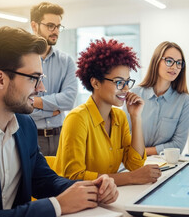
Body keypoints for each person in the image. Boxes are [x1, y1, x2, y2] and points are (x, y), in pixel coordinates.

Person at [0, 27, 118, 217]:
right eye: (34, 78)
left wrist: (91, 188)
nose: (42, 88)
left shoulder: (25, 125)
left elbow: (43, 180)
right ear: (0, 79)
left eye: (40, 78)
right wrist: (57, 206)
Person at [53, 38, 161, 186]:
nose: (126, 89)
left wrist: (136, 117)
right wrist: (130, 178)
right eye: (119, 82)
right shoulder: (77, 119)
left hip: (106, 197)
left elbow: (135, 165)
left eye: (127, 82)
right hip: (78, 201)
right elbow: (73, 177)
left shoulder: (120, 117)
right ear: (95, 83)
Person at [124, 41, 189, 155]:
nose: (175, 67)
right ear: (156, 61)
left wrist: (141, 152)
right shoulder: (134, 94)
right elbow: (123, 137)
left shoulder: (183, 100)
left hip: (165, 164)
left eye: (179, 63)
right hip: (133, 163)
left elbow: (178, 145)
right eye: (169, 61)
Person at [30, 2, 78, 156]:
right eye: (50, 26)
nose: (55, 31)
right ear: (34, 25)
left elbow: (69, 100)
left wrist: (36, 103)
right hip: (31, 136)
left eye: (58, 26)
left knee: (62, 179)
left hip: (61, 137)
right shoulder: (21, 60)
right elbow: (20, 106)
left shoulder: (66, 61)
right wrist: (53, 111)